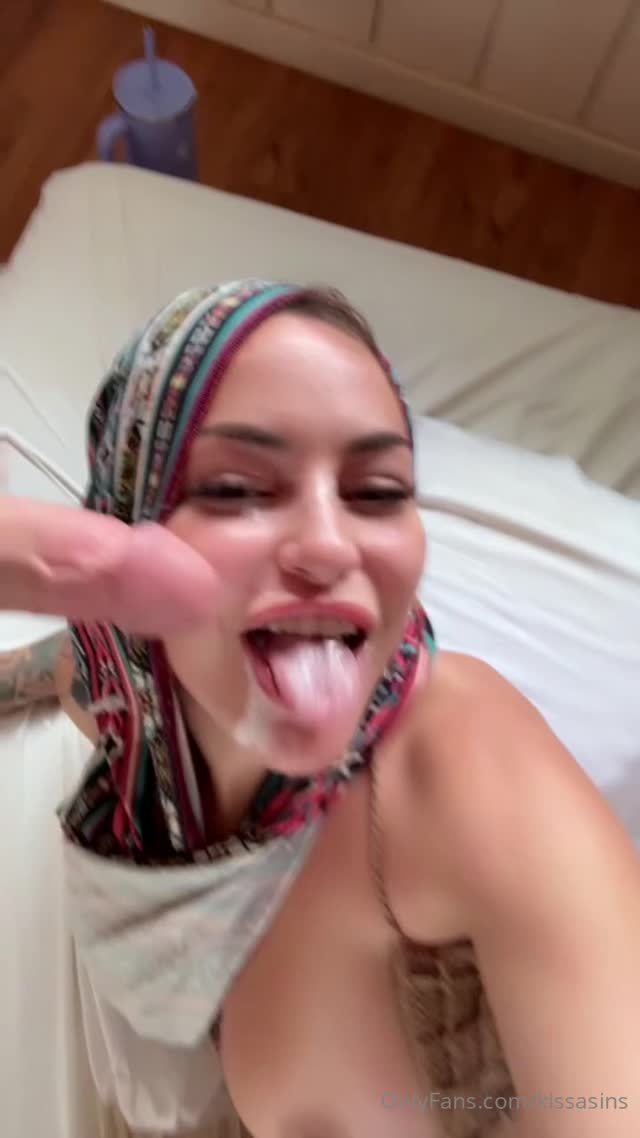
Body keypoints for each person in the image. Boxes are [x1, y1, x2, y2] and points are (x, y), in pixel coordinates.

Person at [1, 280, 639, 1138]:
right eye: (237, 487)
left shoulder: (466, 768)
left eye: (377, 491)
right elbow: (60, 667)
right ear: (128, 523)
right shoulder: (136, 712)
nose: (331, 546)